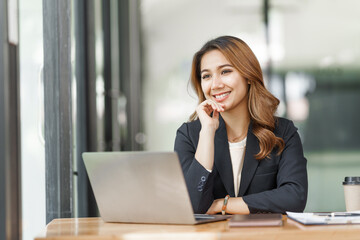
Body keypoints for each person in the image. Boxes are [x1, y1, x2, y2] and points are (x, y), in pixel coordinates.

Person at [174, 36, 307, 215]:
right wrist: (207, 132)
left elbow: (294, 198)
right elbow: (192, 207)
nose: (216, 84)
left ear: (248, 76)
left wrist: (223, 204)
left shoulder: (282, 132)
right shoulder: (189, 135)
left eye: (225, 72)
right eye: (206, 76)